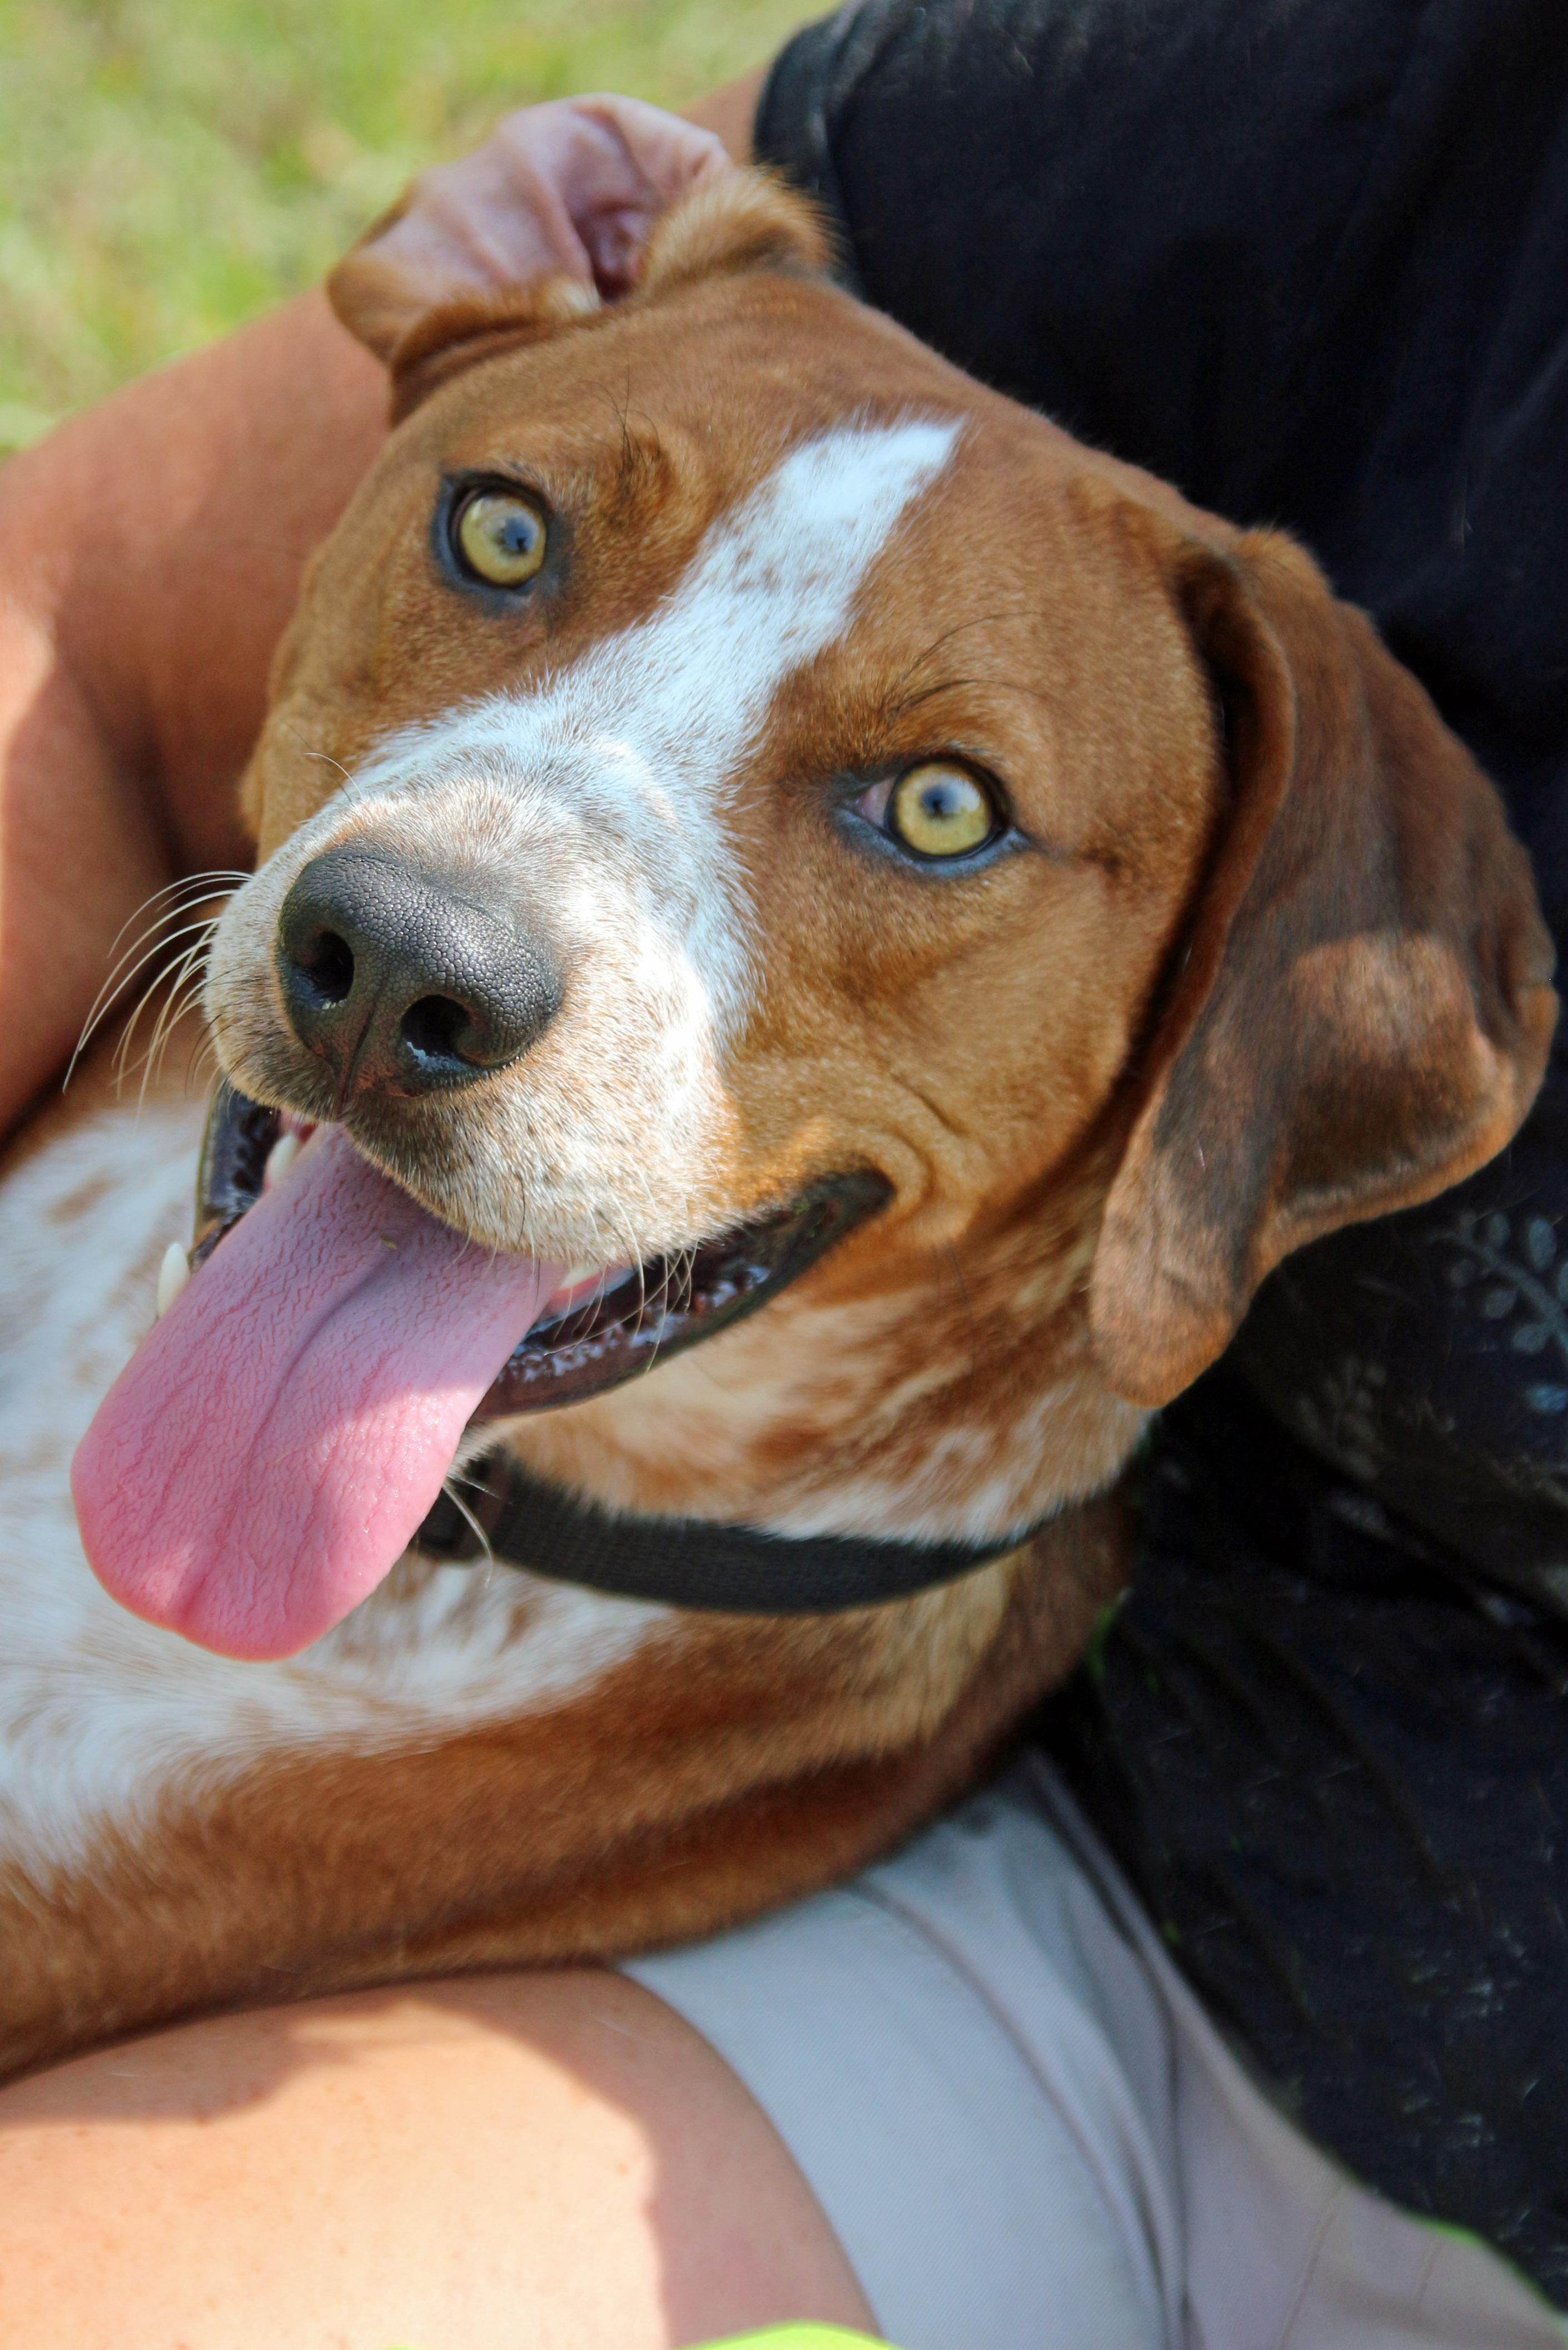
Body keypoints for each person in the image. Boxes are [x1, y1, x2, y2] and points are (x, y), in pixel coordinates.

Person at [2, 4, 1566, 2344]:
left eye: (931, 808)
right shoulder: (1370, 101)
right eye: (505, 541)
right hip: (1155, 1942)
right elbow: (93, 601)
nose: (458, 899)